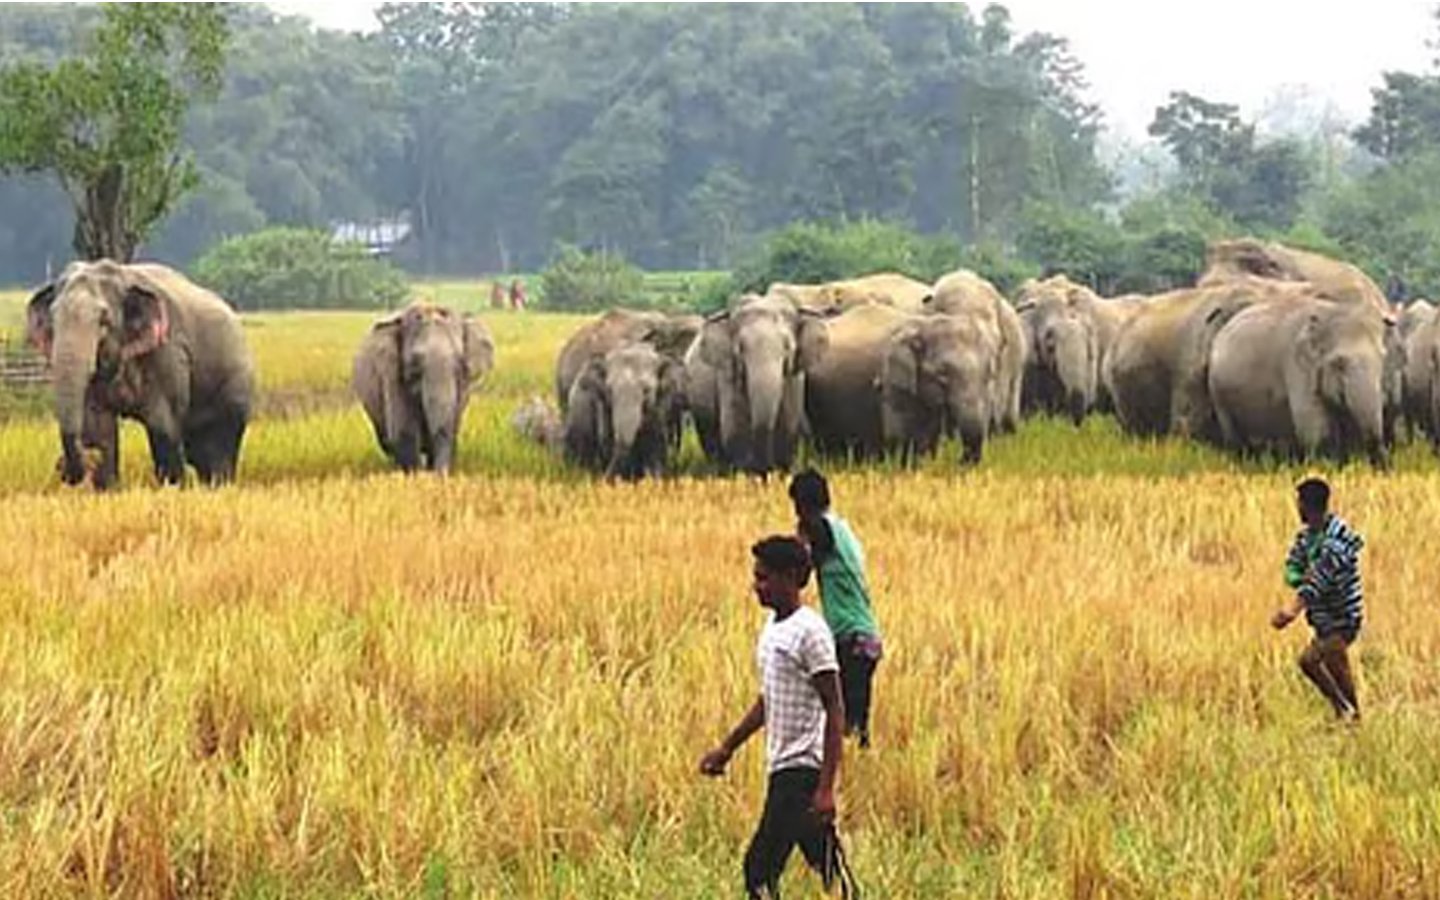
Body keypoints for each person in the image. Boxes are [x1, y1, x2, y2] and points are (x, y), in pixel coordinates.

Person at [700, 535, 852, 899]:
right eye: (756, 576)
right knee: (828, 866)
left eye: (764, 578)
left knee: (759, 869)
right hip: (781, 765)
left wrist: (826, 787)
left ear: (792, 576)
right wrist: (727, 748)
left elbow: (835, 707)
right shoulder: (772, 630)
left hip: (801, 770)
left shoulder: (810, 632)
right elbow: (769, 700)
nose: (756, 586)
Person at [789, 468, 882, 748]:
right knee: (853, 722)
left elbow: (800, 571)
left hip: (850, 639)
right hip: (866, 638)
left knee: (842, 722)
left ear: (804, 507)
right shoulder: (843, 528)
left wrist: (799, 539)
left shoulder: (822, 530)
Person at [1272, 477, 1365, 721]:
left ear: (1307, 506)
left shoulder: (1335, 543)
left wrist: (1290, 612)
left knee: (1309, 661)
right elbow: (1293, 566)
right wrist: (1299, 575)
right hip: (1323, 620)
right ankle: (1351, 717)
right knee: (1337, 668)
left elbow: (1315, 583)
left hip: (1342, 618)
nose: (1297, 508)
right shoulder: (1308, 538)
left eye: (1299, 503)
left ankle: (1344, 709)